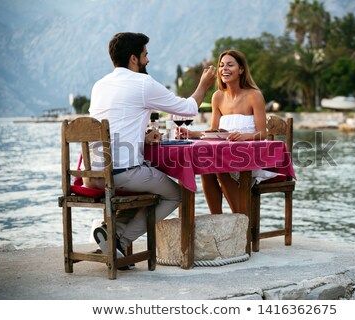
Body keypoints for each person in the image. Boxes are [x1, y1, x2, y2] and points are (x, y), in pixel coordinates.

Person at [85, 32, 216, 268]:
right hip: (122, 173)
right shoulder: (143, 83)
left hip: (92, 175)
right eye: (146, 55)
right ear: (134, 58)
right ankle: (119, 239)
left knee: (147, 187)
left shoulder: (99, 85)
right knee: (176, 194)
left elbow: (113, 125)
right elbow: (187, 108)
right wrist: (204, 84)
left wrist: (142, 137)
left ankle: (109, 233)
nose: (148, 60)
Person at [182, 49, 280, 215]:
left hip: (249, 157)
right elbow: (214, 133)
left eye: (230, 65)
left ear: (241, 69)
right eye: (221, 66)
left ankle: (241, 221)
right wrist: (194, 134)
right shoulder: (217, 97)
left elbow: (262, 134)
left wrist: (245, 137)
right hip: (225, 155)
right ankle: (218, 220)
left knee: (218, 166)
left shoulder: (254, 95)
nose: (224, 69)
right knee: (207, 167)